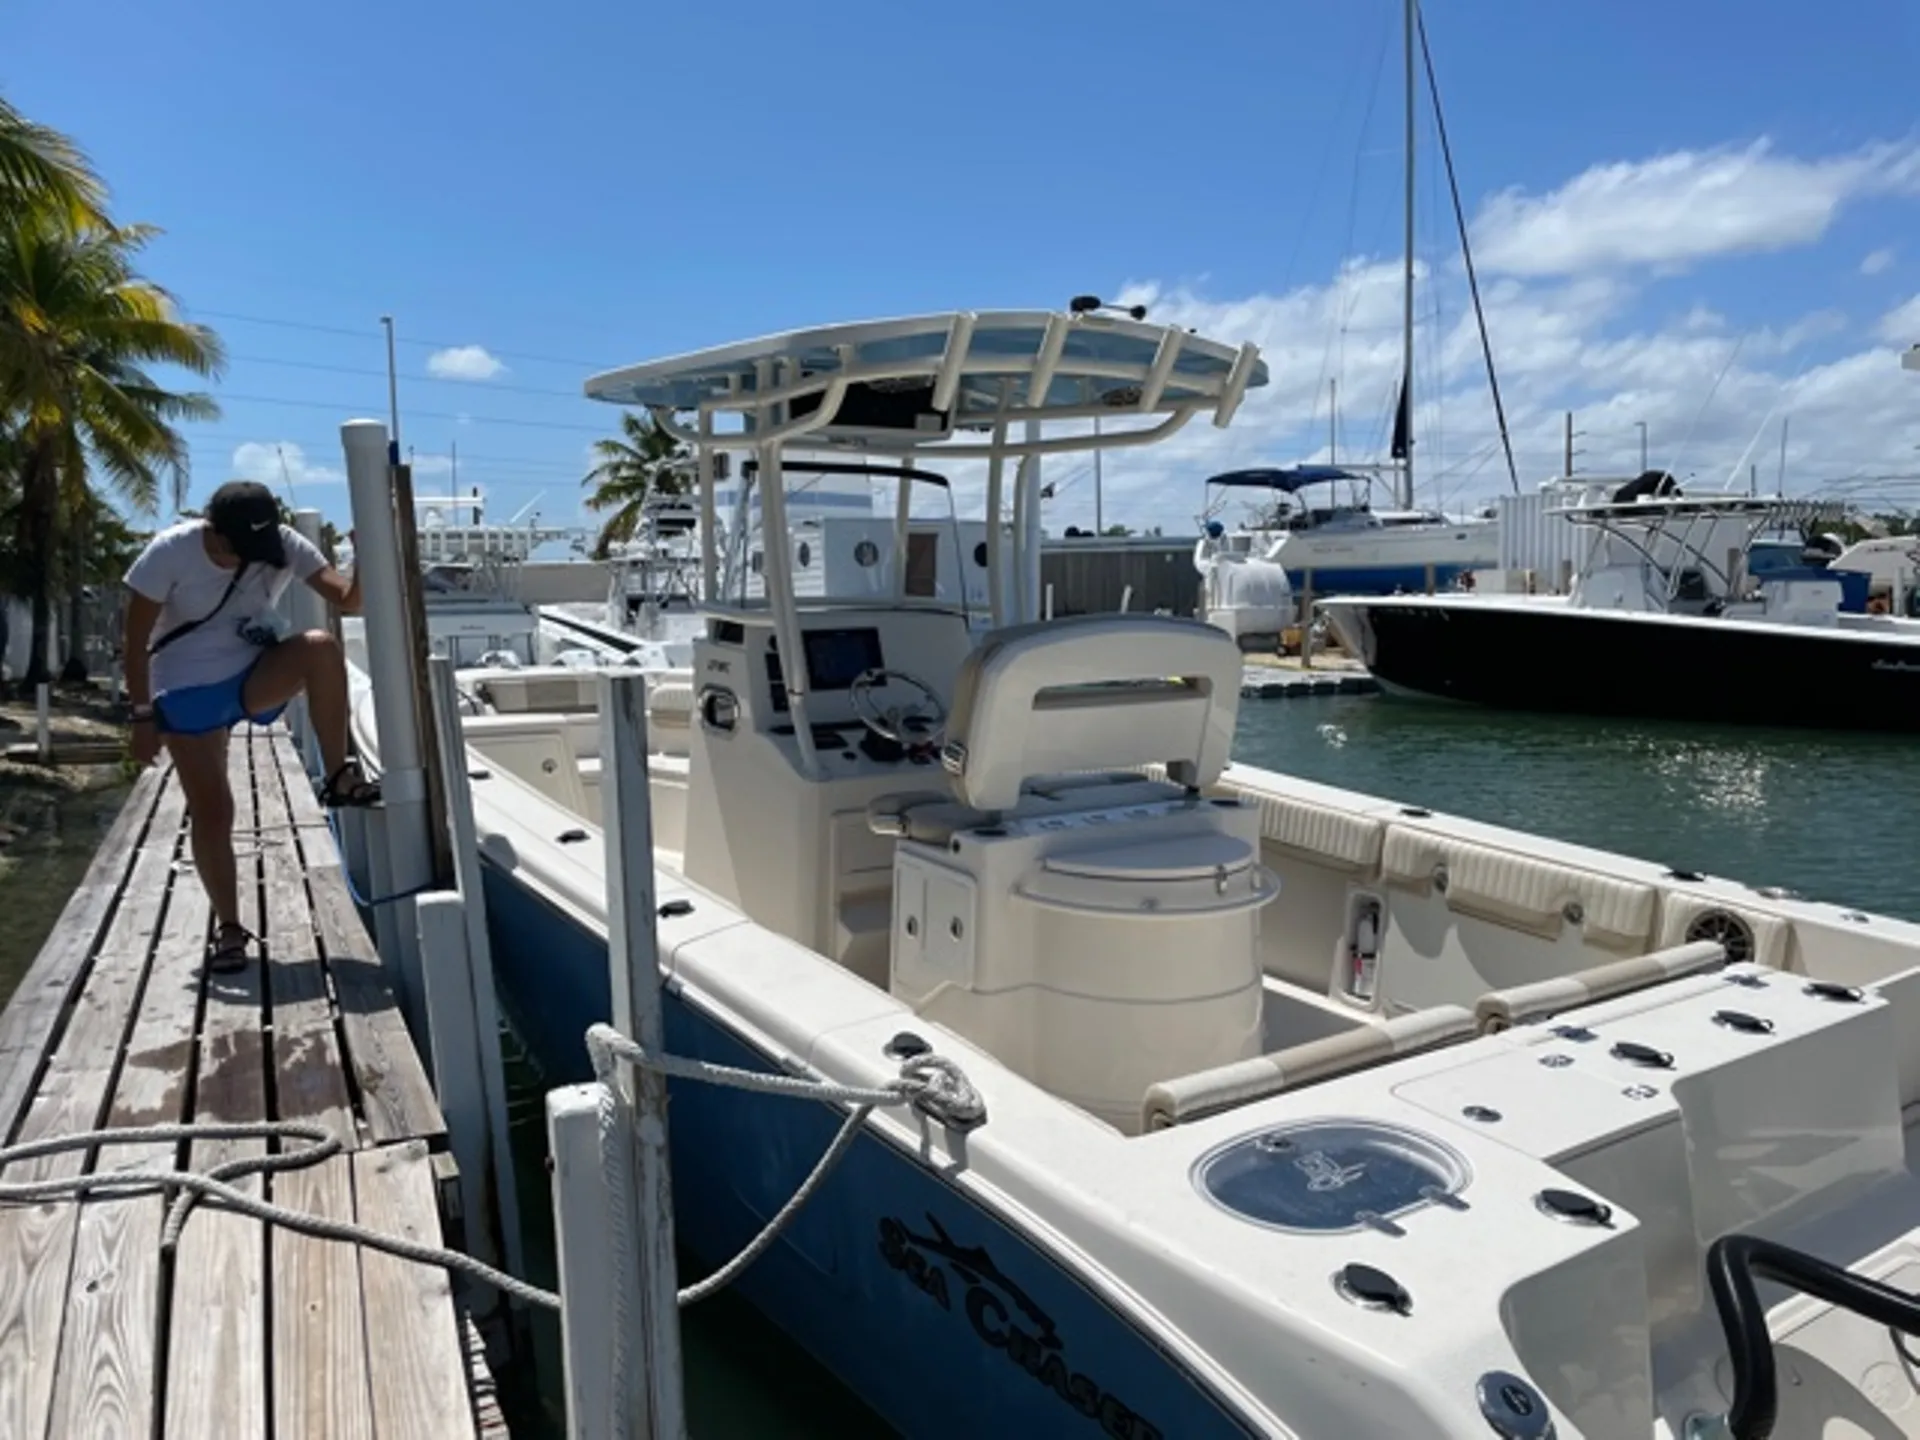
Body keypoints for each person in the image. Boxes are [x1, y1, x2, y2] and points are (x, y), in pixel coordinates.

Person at [123, 480, 381, 973]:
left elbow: (348, 600)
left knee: (321, 647)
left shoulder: (281, 543)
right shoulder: (168, 553)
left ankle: (338, 776)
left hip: (252, 673)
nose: (255, 557)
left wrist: (365, 550)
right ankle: (229, 929)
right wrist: (141, 717)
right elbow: (133, 642)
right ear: (214, 533)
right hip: (185, 687)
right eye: (241, 548)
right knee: (215, 809)